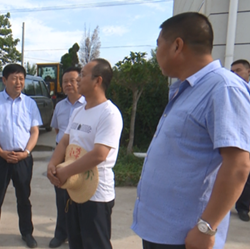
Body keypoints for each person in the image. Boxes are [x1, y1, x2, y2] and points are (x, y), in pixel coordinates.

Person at [131, 12, 250, 249]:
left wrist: (207, 227)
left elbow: (238, 165)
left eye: (158, 45)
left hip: (187, 237)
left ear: (177, 45)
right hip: (161, 229)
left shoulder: (223, 88)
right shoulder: (186, 90)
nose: (156, 54)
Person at [47, 59, 123, 249]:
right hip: (75, 189)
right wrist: (53, 164)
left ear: (97, 81)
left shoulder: (109, 114)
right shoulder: (79, 111)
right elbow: (65, 141)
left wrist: (66, 172)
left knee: (96, 245)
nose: (77, 80)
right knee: (76, 243)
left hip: (96, 196)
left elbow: (99, 154)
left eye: (82, 75)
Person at [0, 64, 42, 249]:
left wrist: (26, 153)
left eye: (21, 78)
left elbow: (34, 131)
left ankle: (27, 233)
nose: (18, 82)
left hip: (23, 158)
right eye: (14, 78)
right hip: (0, 157)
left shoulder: (29, 103)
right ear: (4, 80)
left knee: (24, 197)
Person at [47, 67, 85, 248]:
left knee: (81, 195)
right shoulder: (60, 106)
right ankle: (61, 233)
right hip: (62, 154)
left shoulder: (88, 104)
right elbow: (57, 130)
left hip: (81, 156)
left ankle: (77, 234)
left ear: (81, 81)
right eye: (65, 81)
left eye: (73, 80)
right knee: (61, 196)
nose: (69, 84)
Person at [230, 59, 250, 222]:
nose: (235, 74)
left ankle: (244, 207)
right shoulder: (230, 91)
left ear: (248, 72)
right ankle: (240, 208)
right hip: (237, 140)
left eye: (238, 70)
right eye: (232, 71)